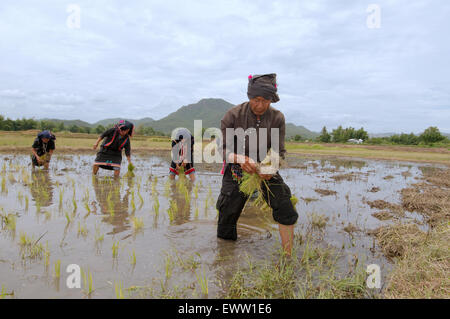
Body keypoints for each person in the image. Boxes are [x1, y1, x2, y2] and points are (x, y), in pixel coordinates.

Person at [216, 73, 298, 257]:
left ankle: (287, 256)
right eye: (255, 99)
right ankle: (225, 258)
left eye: (265, 100)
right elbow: (223, 149)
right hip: (237, 170)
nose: (259, 105)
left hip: (265, 169)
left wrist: (271, 167)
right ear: (249, 96)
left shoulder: (277, 118)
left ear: (272, 99)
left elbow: (279, 150)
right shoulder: (233, 116)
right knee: (227, 214)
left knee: (285, 206)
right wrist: (239, 159)